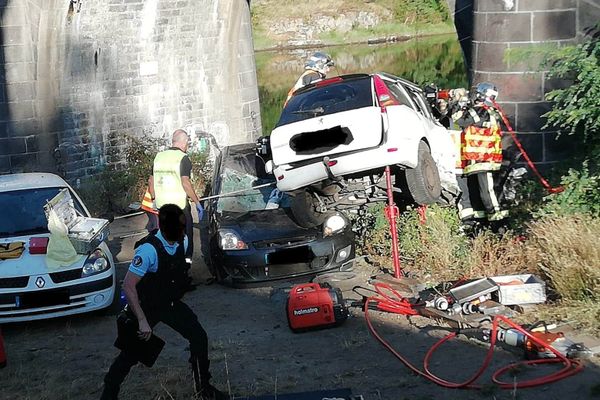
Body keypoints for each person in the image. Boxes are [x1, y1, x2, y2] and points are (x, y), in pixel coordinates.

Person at [100, 204, 227, 400]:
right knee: (131, 353)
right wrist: (141, 321)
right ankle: (109, 394)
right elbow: (128, 286)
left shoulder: (182, 242)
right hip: (146, 306)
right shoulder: (148, 250)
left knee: (199, 337)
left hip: (169, 304)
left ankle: (203, 388)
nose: (183, 232)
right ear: (165, 227)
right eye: (179, 228)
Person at [451, 82, 508, 232]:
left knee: (488, 194)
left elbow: (460, 120)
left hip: (483, 160)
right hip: (481, 161)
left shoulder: (480, 111)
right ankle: (483, 226)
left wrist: (459, 102)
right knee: (481, 195)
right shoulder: (492, 111)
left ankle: (500, 226)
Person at [148, 129, 204, 267]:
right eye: (187, 144)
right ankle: (185, 268)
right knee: (186, 238)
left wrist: (154, 199)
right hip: (179, 207)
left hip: (163, 207)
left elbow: (150, 181)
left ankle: (169, 267)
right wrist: (197, 202)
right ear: (183, 142)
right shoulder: (182, 158)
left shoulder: (159, 157)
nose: (187, 147)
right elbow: (185, 183)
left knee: (168, 239)